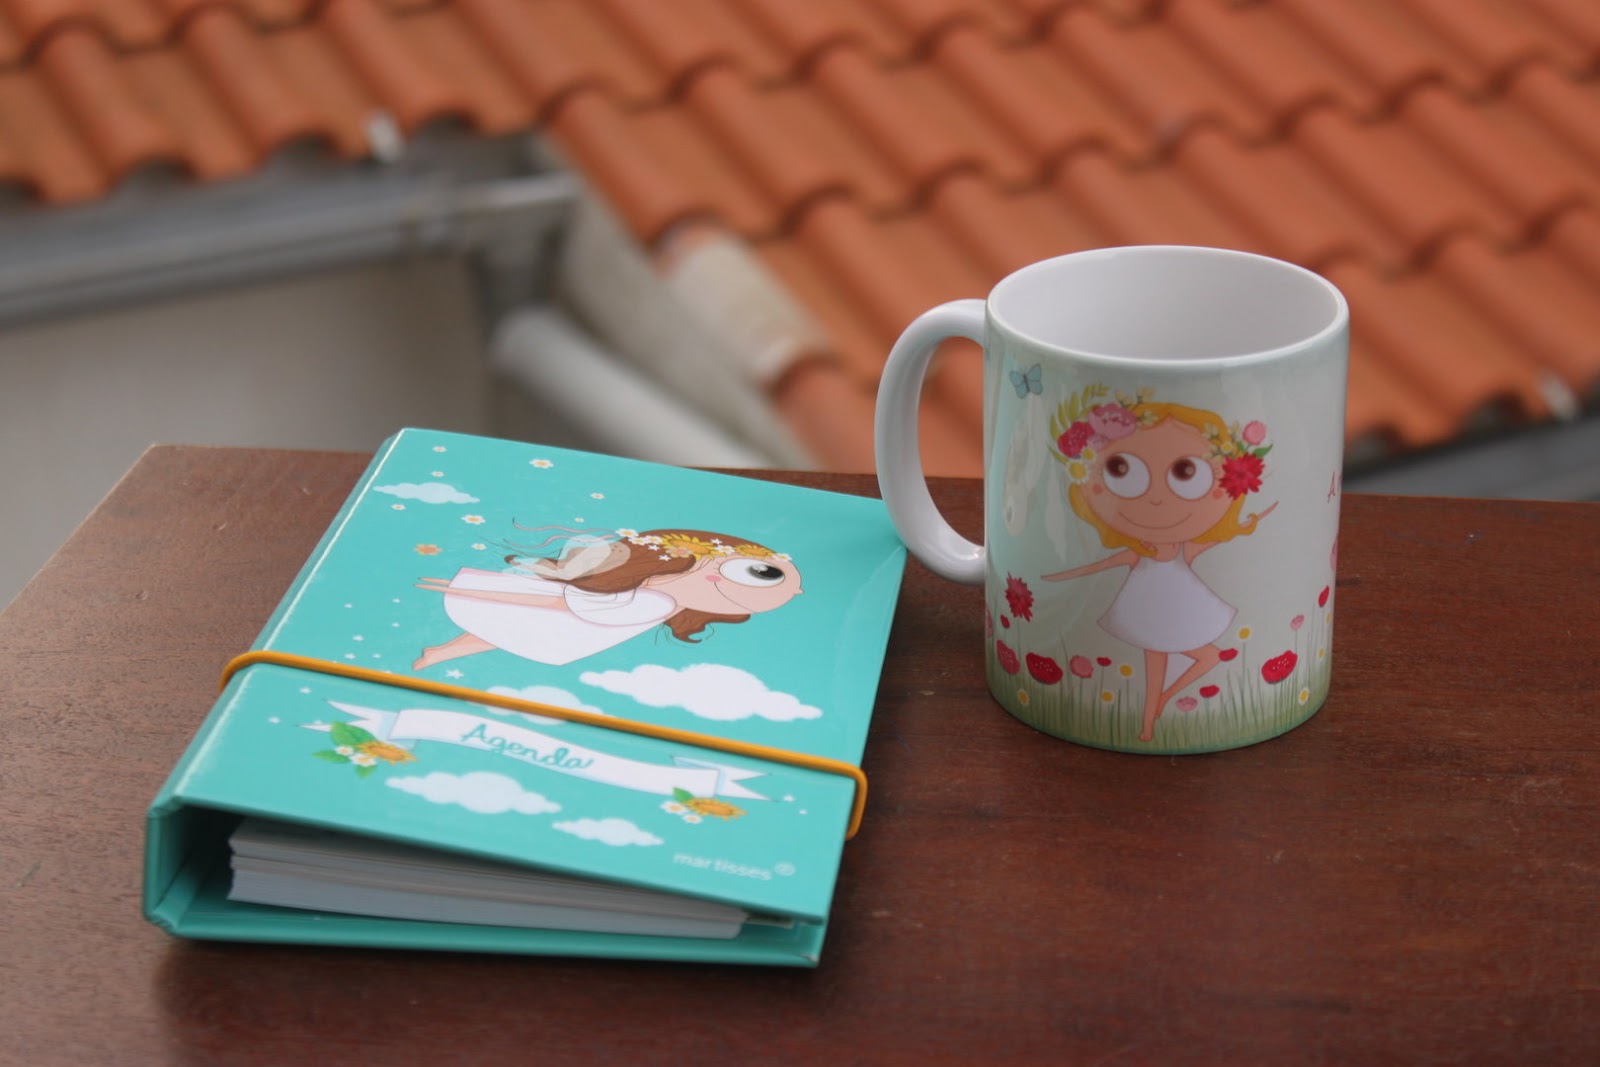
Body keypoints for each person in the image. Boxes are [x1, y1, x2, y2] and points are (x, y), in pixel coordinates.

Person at [1045, 399, 1274, 741]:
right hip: (1145, 614)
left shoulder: (1181, 548)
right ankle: (1148, 723)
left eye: (1186, 473)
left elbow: (1220, 537)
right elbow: (1100, 565)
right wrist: (1055, 577)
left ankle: (1164, 701)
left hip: (1177, 612)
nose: (1155, 499)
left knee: (1207, 657)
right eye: (1120, 469)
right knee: (1156, 668)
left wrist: (1253, 521)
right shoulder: (1140, 550)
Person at [413, 529, 802, 669]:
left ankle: (442, 652)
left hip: (572, 621)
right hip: (569, 616)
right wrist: (477, 591)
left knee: (506, 630)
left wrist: (476, 591)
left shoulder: (659, 603)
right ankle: (441, 652)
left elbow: (564, 606)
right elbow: (561, 605)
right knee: (505, 627)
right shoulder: (656, 600)